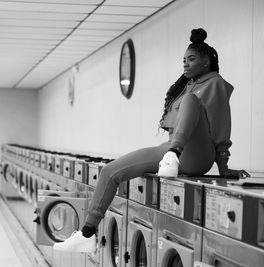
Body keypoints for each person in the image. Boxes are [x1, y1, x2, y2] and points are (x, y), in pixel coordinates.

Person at [53, 28, 250, 253]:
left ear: (206, 62)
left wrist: (223, 167)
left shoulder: (215, 83)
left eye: (191, 59)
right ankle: (87, 234)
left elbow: (221, 126)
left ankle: (172, 155)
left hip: (197, 155)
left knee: (191, 102)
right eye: (183, 60)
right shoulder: (189, 86)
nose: (185, 64)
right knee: (110, 172)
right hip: (171, 150)